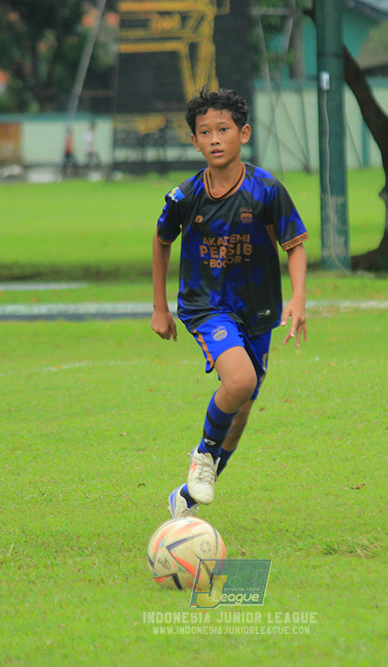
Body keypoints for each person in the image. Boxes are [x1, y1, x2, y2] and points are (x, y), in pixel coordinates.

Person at [151, 88, 308, 519]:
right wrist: (160, 307)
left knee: (242, 407)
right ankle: (202, 457)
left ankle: (188, 495)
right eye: (205, 132)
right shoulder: (185, 197)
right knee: (238, 382)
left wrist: (298, 298)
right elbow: (162, 241)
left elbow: (295, 245)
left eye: (223, 129)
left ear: (244, 133)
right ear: (195, 141)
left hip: (257, 310)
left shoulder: (266, 189)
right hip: (206, 305)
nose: (215, 138)